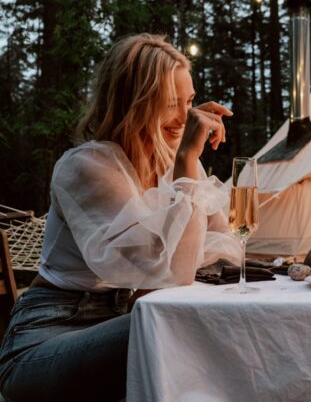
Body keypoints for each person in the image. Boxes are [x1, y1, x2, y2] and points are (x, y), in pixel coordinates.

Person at [0, 34, 242, 401]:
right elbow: (164, 269)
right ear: (136, 102)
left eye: (190, 102)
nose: (184, 118)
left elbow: (223, 245)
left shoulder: (170, 167)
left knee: (208, 326)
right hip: (44, 337)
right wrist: (187, 165)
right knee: (175, 330)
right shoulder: (86, 166)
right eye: (170, 104)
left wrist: (183, 169)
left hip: (120, 322)